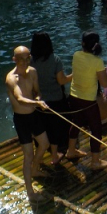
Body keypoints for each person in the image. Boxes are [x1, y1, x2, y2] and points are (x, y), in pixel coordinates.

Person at [66, 31, 107, 169]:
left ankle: (71, 151)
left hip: (73, 96)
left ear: (82, 44)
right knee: (96, 130)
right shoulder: (97, 61)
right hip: (87, 101)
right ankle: (95, 161)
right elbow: (105, 83)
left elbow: (83, 71)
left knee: (76, 123)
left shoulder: (76, 55)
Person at [4, 45, 50, 200]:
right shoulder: (11, 78)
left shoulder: (33, 72)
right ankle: (30, 192)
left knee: (44, 144)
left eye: (27, 58)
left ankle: (35, 170)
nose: (24, 62)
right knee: (28, 155)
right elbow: (19, 99)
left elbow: (37, 91)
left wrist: (38, 98)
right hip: (21, 119)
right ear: (14, 60)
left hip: (34, 115)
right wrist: (37, 104)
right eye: (20, 59)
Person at [30, 32, 72, 165]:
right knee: (55, 128)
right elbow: (61, 81)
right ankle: (54, 156)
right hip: (55, 100)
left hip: (37, 101)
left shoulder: (30, 61)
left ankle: (40, 158)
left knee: (40, 128)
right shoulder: (55, 59)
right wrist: (75, 74)